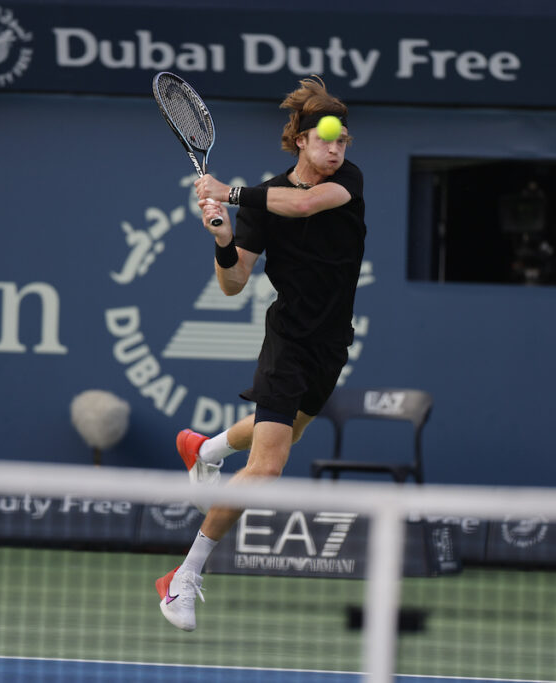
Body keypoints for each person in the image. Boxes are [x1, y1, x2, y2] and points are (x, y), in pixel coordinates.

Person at [155, 76, 365, 632]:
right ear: (300, 140)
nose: (338, 148)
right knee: (269, 466)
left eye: (343, 138)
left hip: (330, 344)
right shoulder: (264, 200)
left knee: (287, 428)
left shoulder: (345, 183)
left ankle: (205, 448)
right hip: (289, 341)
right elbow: (233, 284)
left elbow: (306, 204)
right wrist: (224, 240)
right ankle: (182, 577)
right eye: (326, 139)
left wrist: (231, 194)